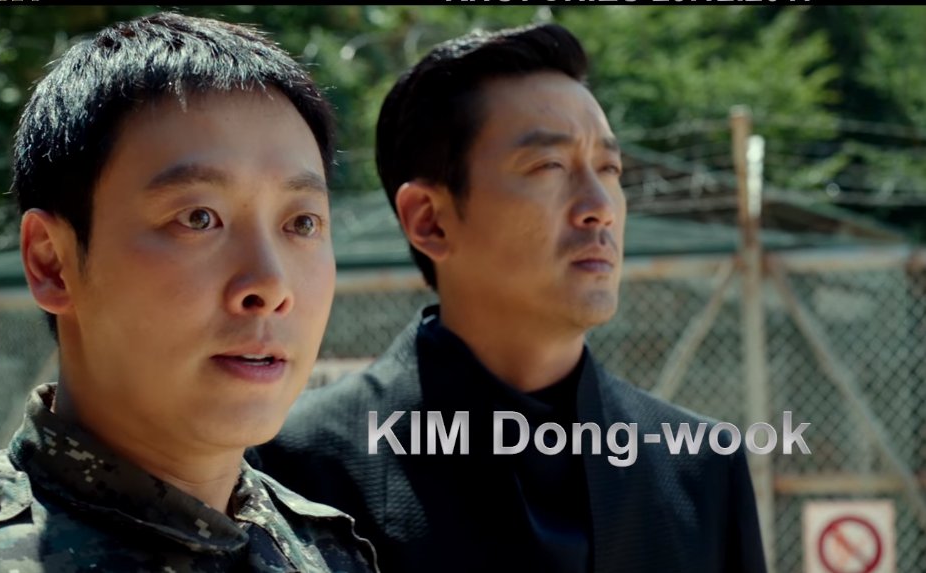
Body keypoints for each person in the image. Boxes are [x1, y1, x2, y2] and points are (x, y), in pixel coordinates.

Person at [0, 12, 377, 573]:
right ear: (52, 262)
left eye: (302, 223)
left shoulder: (329, 555)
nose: (270, 286)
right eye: (199, 218)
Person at [251, 23, 767, 573]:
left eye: (609, 169)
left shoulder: (701, 468)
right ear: (429, 220)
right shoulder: (297, 466)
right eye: (550, 166)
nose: (600, 206)